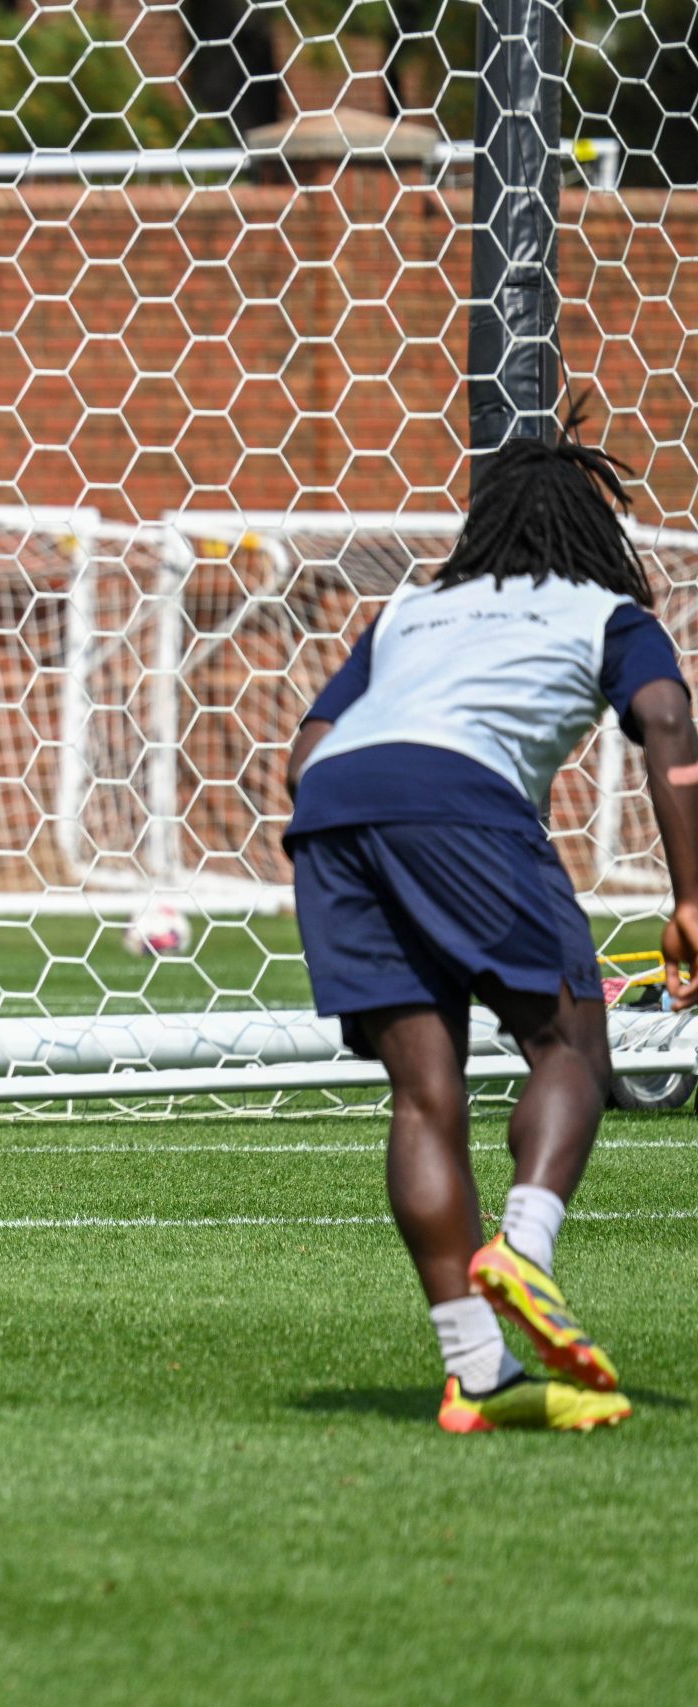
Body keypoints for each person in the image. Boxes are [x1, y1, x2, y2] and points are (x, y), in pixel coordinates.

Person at [285, 418, 698, 1434]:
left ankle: (476, 1374)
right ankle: (524, 1244)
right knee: (569, 1039)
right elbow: (670, 725)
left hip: (330, 808)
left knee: (424, 1096)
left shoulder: (408, 613)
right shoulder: (607, 612)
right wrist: (692, 898)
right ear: (597, 538)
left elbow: (304, 750)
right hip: (457, 798)